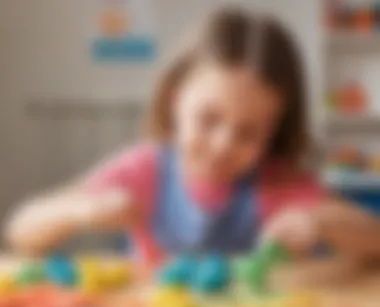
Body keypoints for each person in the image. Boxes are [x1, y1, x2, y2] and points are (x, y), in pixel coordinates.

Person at [5, 9, 380, 268]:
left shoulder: (276, 183)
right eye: (208, 118)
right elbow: (21, 232)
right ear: (175, 101)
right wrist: (81, 210)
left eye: (249, 132)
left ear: (275, 131)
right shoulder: (145, 170)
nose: (223, 145)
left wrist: (322, 223)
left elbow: (374, 238)